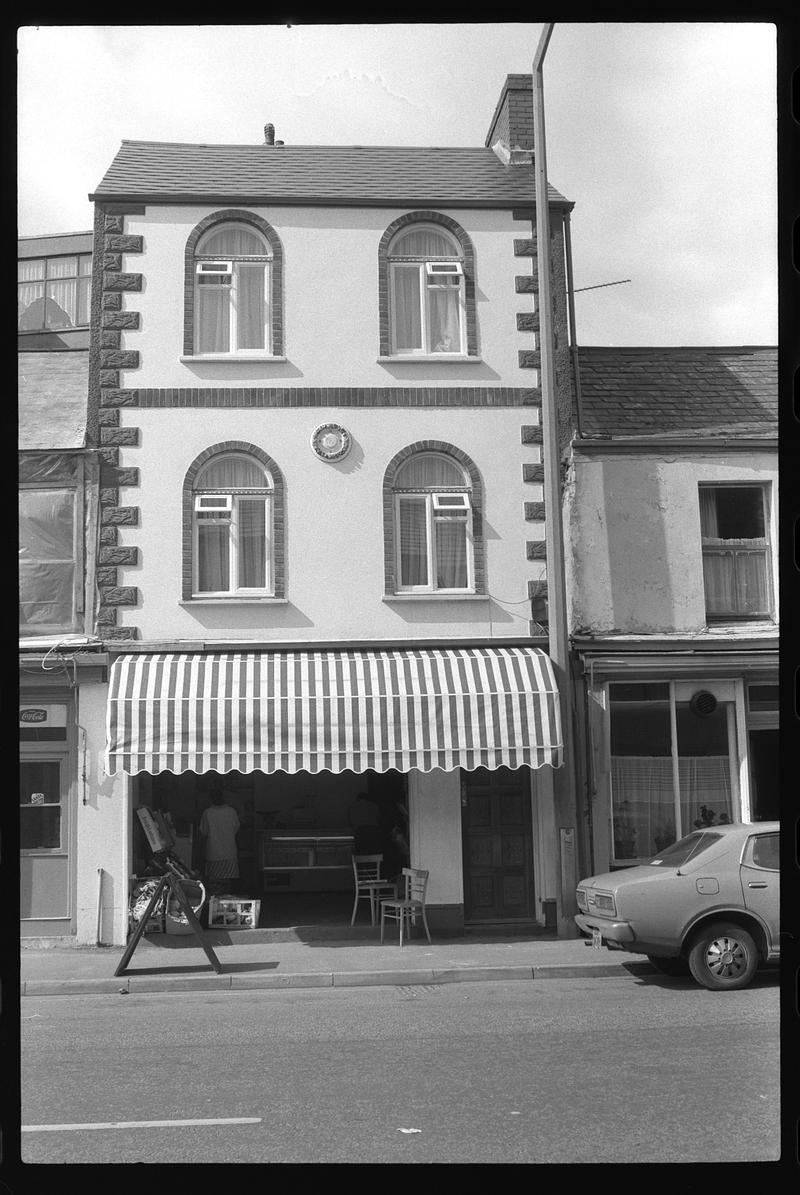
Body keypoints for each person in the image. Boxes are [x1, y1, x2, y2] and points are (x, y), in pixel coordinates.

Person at [199, 785, 240, 894]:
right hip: (229, 852)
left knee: (214, 884)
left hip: (213, 853)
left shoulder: (208, 813)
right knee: (227, 883)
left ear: (211, 799)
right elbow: (236, 828)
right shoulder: (231, 811)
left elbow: (204, 831)